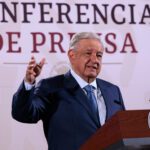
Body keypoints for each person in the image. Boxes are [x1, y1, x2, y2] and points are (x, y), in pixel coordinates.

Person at [12, 32, 125, 150]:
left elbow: (124, 132)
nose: (95, 60)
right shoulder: (51, 87)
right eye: (88, 53)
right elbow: (23, 114)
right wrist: (28, 84)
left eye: (99, 55)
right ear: (72, 55)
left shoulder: (113, 91)